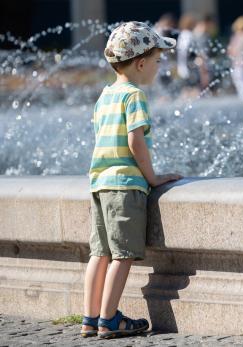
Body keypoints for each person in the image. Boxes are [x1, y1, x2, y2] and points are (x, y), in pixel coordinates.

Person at [81, 21, 182, 339]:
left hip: (99, 184)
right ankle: (109, 319)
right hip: (126, 186)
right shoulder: (134, 96)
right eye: (157, 60)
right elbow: (135, 142)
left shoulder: (106, 95)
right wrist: (152, 177)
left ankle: (89, 316)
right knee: (123, 255)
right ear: (140, 63)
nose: (158, 67)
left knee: (100, 254)